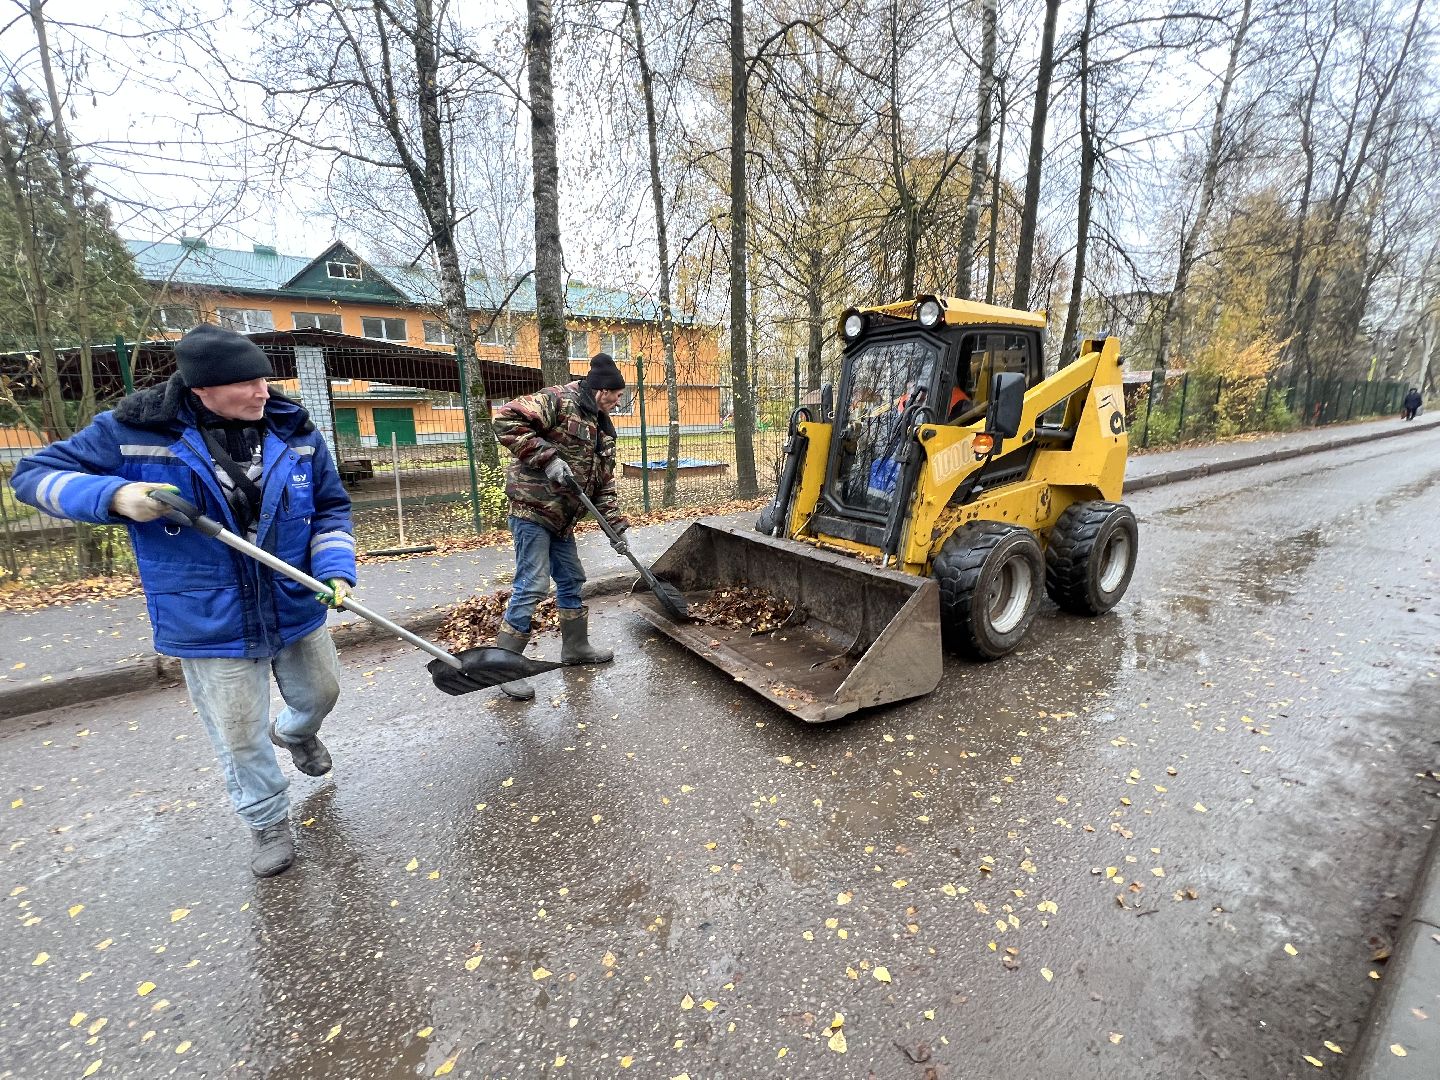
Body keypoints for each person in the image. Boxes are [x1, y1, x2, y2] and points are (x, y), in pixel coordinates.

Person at [11, 324, 356, 878]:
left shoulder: (295, 431)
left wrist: (336, 570)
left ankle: (295, 731)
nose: (262, 392)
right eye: (245, 383)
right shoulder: (133, 433)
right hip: (207, 617)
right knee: (239, 732)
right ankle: (267, 819)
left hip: (294, 598)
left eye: (264, 378)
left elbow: (331, 508)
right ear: (201, 390)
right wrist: (115, 496)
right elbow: (33, 476)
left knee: (322, 692)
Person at [490, 353, 630, 700]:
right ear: (601, 391)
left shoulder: (603, 430)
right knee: (533, 584)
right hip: (533, 510)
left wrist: (616, 528)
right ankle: (504, 667)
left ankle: (575, 647)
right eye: (615, 396)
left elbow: (603, 486)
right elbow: (505, 419)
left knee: (571, 578)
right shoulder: (558, 400)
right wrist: (548, 458)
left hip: (563, 519)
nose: (618, 402)